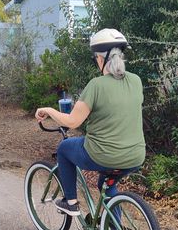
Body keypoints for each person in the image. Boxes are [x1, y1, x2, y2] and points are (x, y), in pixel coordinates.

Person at [35, 28, 146, 216]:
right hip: (135, 156)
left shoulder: (96, 85)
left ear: (100, 59)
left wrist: (49, 110)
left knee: (64, 149)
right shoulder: (136, 81)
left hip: (103, 155)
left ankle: (70, 202)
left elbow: (73, 122)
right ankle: (113, 227)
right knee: (107, 184)